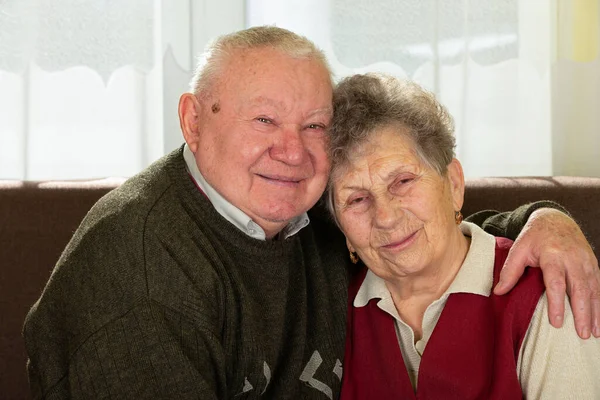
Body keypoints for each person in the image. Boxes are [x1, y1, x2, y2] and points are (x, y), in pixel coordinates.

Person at [23, 26, 599, 399]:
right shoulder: (138, 281)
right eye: (264, 120)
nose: (292, 151)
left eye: (313, 126)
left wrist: (545, 221)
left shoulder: (306, 208)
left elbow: (426, 233)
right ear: (194, 121)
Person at [327, 73, 600, 399]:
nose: (385, 217)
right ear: (340, 226)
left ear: (454, 185)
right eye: (356, 199)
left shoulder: (545, 291)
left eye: (403, 181)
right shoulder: (330, 309)